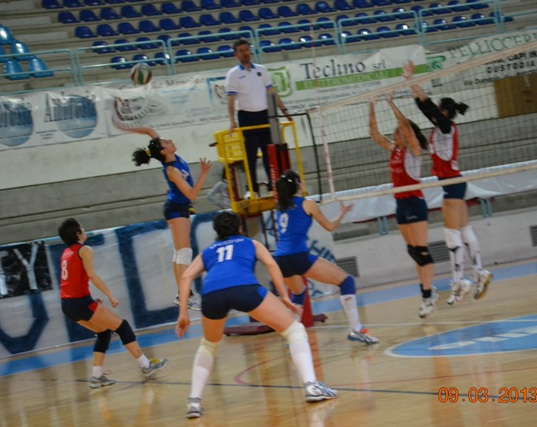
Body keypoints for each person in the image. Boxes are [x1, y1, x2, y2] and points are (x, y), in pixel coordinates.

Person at [176, 211, 338, 419]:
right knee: (294, 330)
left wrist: (183, 313)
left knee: (208, 345)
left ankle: (194, 401)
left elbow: (186, 276)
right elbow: (271, 264)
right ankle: (311, 386)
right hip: (245, 288)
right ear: (240, 228)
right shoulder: (251, 243)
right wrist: (284, 296)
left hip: (212, 294)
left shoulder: (208, 251)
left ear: (217, 232)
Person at [402, 60, 493, 305]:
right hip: (453, 182)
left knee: (451, 235)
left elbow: (428, 108)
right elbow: (425, 108)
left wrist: (414, 82)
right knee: (464, 230)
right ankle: (479, 272)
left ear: (444, 112)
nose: (435, 114)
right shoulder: (441, 126)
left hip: (453, 183)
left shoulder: (447, 127)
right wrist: (411, 84)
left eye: (439, 111)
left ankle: (459, 282)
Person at [58, 218, 168, 388]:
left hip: (68, 305)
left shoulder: (66, 253)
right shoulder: (84, 250)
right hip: (79, 302)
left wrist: (88, 300)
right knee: (122, 326)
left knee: (103, 333)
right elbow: (92, 276)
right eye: (82, 228)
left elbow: (72, 282)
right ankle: (146, 366)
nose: (84, 230)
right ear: (78, 234)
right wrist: (110, 295)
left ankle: (97, 377)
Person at [273, 170, 378, 344]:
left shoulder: (280, 206)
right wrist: (342, 213)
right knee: (347, 281)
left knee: (298, 292)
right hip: (297, 256)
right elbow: (329, 226)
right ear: (299, 185)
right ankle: (356, 329)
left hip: (280, 259)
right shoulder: (308, 204)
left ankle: (292, 336)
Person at [368, 94, 439, 318]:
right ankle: (428, 290)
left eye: (397, 131)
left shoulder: (414, 151)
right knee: (413, 252)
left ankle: (427, 296)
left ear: (407, 135)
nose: (394, 133)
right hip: (400, 204)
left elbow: (407, 127)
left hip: (415, 202)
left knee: (422, 251)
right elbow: (374, 134)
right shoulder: (394, 150)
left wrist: (391, 103)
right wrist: (371, 106)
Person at [129, 125, 212, 311]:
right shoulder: (171, 170)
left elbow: (150, 130)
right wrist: (204, 175)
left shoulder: (170, 156)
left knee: (180, 252)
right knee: (184, 252)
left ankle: (182, 294)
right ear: (163, 151)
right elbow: (191, 194)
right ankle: (186, 295)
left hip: (179, 208)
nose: (170, 141)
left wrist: (126, 128)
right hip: (176, 209)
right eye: (166, 142)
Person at [225, 38, 292, 197]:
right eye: (241, 51)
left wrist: (285, 111)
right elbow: (231, 99)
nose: (245, 53)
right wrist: (232, 120)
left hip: (265, 116)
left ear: (250, 51)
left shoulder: (261, 70)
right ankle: (252, 189)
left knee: (269, 153)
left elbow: (272, 92)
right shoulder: (233, 74)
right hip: (247, 117)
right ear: (236, 54)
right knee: (250, 156)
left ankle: (272, 186)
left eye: (246, 49)